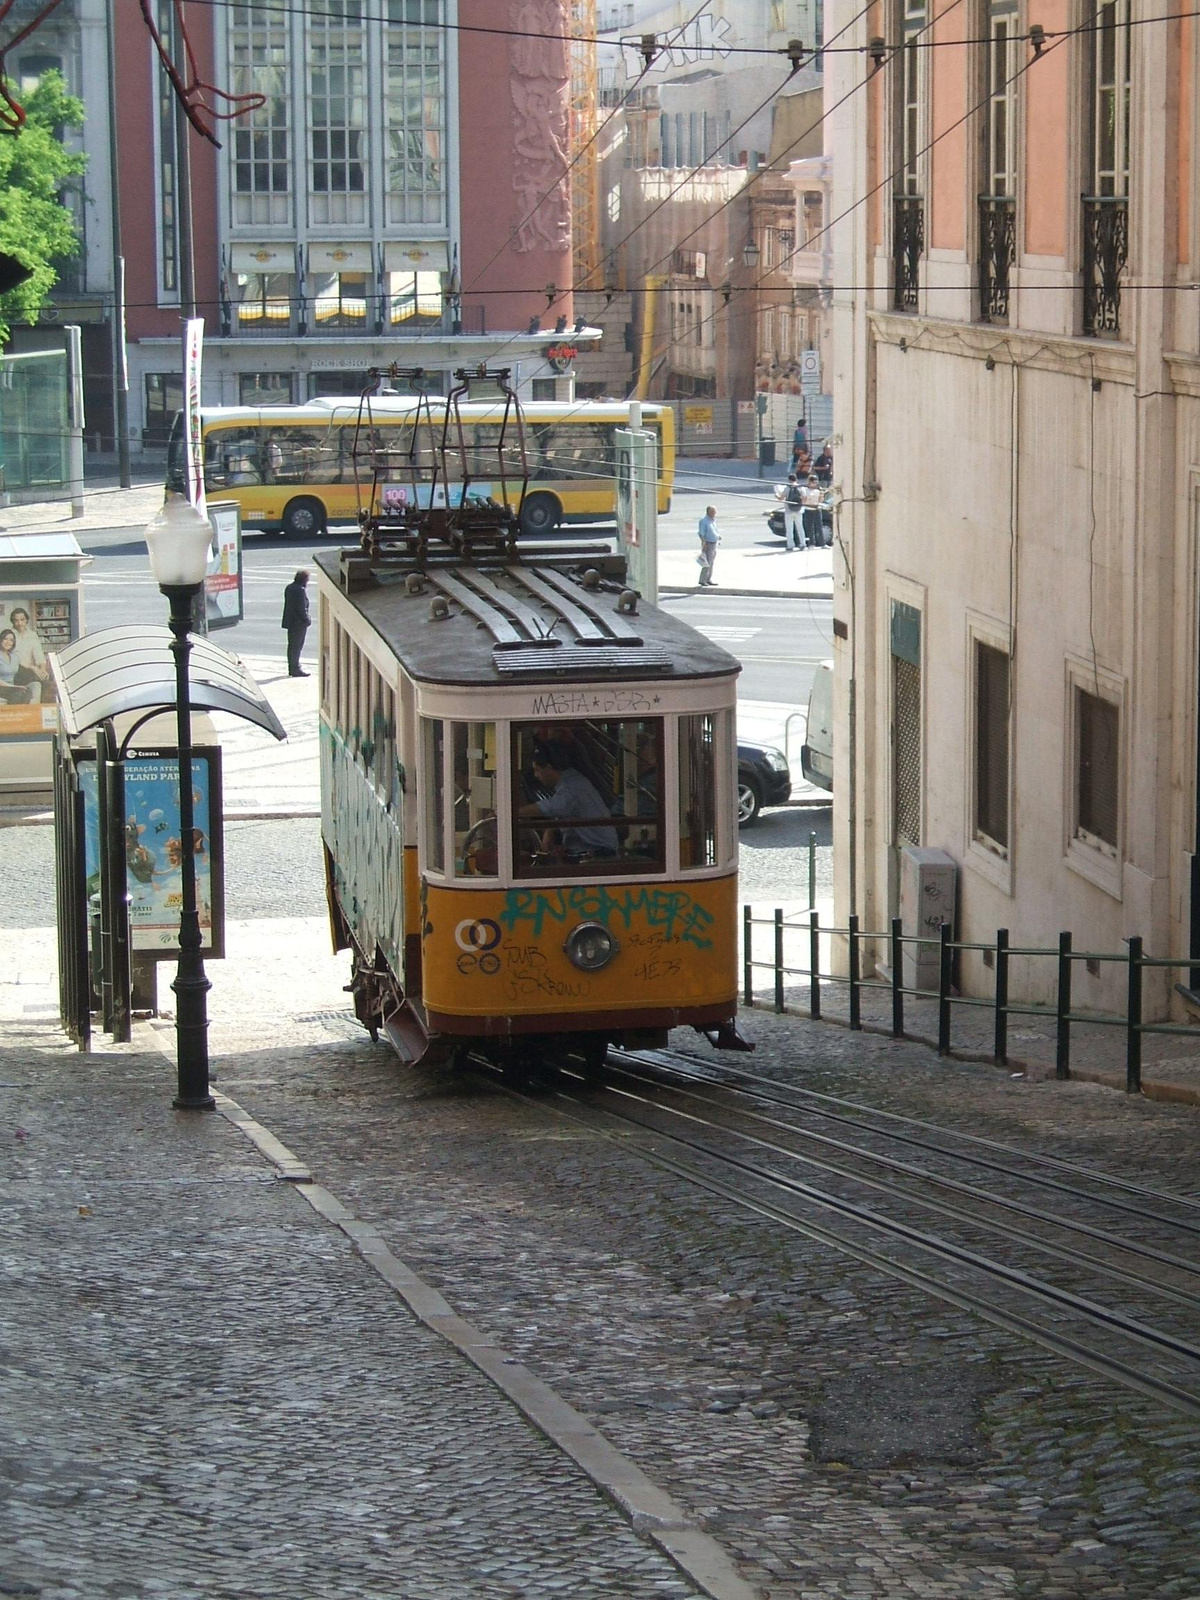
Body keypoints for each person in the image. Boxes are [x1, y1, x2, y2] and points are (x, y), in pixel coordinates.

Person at [519, 741, 618, 859]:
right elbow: (561, 813)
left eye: (537, 770)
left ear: (549, 768)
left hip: (597, 853)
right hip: (588, 850)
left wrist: (513, 812)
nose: (536, 775)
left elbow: (553, 807)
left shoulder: (572, 786)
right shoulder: (571, 781)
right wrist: (550, 831)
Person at [9, 607, 48, 703]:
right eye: (16, 620)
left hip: (30, 671)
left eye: (22, 620)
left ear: (26, 620)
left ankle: (36, 710)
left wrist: (43, 669)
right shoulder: (9, 635)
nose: (20, 623)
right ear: (12, 622)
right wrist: (32, 667)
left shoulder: (32, 635)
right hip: (16, 670)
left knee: (44, 680)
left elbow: (39, 655)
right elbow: (11, 656)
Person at [281, 570, 311, 677]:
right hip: (299, 623)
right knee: (297, 646)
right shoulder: (300, 590)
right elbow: (302, 608)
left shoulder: (289, 587)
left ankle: (292, 667)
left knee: (292, 646)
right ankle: (295, 668)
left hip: (290, 622)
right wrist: (307, 619)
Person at [0, 628, 30, 705]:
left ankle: (22, 716)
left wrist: (35, 668)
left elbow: (25, 665)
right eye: (5, 639)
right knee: (19, 692)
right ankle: (12, 716)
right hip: (2, 686)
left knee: (27, 692)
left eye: (11, 640)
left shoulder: (14, 656)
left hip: (10, 687)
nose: (8, 642)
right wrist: (15, 686)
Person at [697, 505, 719, 586]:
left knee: (711, 562)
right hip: (708, 544)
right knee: (706, 563)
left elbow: (714, 530)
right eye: (713, 512)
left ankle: (708, 579)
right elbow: (701, 533)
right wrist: (704, 543)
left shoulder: (712, 520)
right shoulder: (704, 521)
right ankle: (703, 580)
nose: (715, 513)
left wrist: (718, 536)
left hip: (714, 544)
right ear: (709, 512)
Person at [801, 475, 824, 550]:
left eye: (816, 482)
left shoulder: (818, 490)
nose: (815, 484)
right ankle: (811, 543)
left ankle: (822, 543)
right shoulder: (805, 489)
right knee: (810, 527)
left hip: (817, 509)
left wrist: (821, 494)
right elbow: (803, 500)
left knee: (819, 526)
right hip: (809, 509)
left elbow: (820, 500)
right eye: (813, 482)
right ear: (809, 482)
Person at [782, 474, 805, 551]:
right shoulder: (801, 487)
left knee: (789, 529)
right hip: (799, 510)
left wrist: (776, 495)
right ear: (796, 479)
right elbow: (804, 498)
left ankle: (790, 545)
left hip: (789, 510)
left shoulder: (787, 488)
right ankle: (802, 544)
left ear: (789, 480)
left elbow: (781, 497)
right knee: (800, 527)